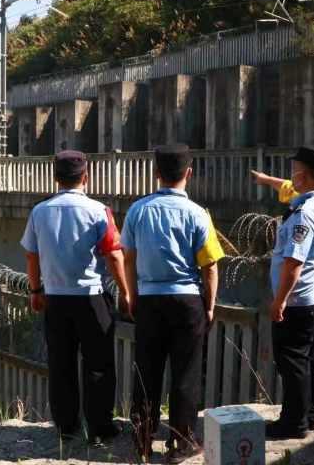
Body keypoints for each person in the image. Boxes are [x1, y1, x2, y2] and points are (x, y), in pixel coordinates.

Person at [20, 150, 132, 446]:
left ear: (55, 177)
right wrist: (126, 292)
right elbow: (115, 255)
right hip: (91, 298)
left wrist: (35, 290)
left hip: (55, 299)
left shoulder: (40, 211)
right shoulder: (98, 210)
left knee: (61, 364)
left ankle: (66, 427)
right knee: (98, 364)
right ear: (86, 176)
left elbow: (31, 255)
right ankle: (99, 427)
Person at [122, 145, 224, 464]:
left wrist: (132, 294)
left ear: (156, 174)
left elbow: (128, 257)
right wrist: (209, 305)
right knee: (186, 373)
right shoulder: (198, 213)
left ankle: (142, 440)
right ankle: (180, 443)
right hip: (186, 300)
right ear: (188, 173)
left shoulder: (138, 210)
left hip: (150, 299)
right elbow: (210, 266)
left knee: (147, 370)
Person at [252, 146, 314, 440]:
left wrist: (279, 302)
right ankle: (312, 416)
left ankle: (293, 424)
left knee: (292, 364)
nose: (291, 176)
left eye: (294, 170)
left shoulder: (304, 215)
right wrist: (266, 180)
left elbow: (293, 264)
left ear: (303, 174)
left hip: (299, 303)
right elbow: (287, 188)